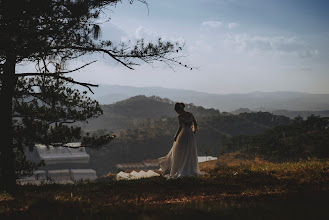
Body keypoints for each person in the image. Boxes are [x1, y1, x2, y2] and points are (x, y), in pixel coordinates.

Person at [158, 102, 200, 178]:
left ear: (179, 110)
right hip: (190, 135)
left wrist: (176, 136)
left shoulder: (180, 116)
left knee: (180, 152)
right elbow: (195, 124)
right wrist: (193, 131)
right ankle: (189, 168)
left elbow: (180, 127)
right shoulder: (190, 114)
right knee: (189, 151)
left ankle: (179, 168)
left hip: (183, 134)